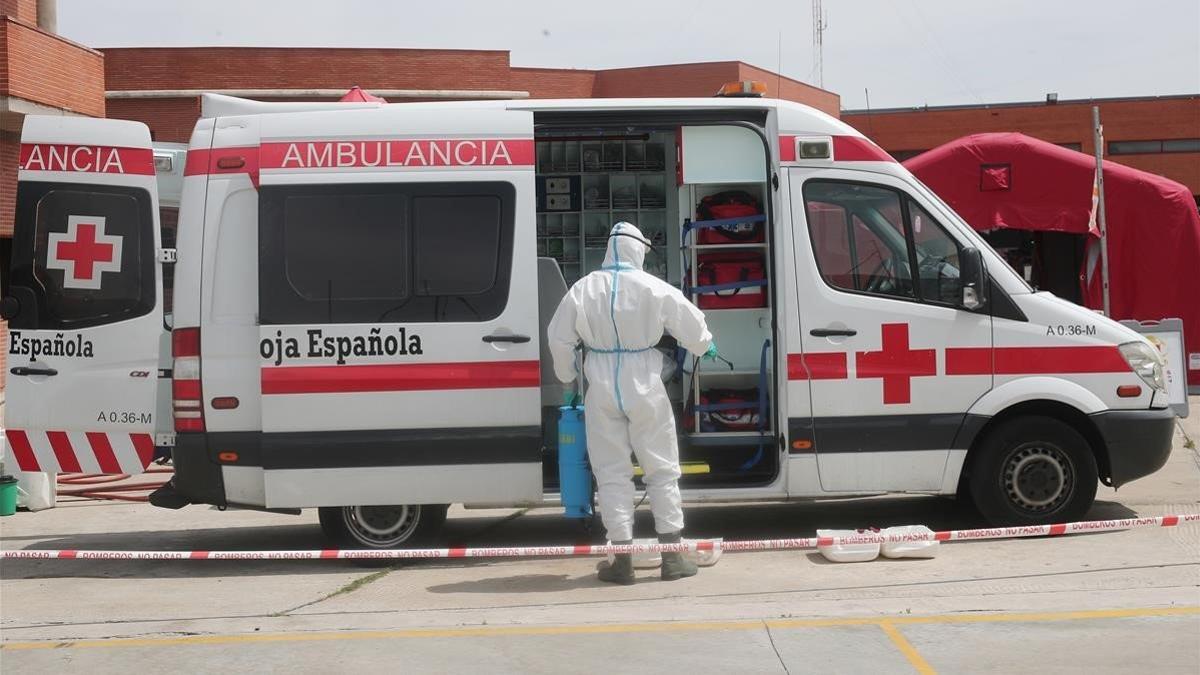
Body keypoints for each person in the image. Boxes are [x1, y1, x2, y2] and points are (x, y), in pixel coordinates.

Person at [548, 222, 718, 584]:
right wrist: (704, 344)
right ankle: (673, 558)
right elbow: (689, 321)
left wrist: (568, 380)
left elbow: (558, 339)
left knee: (610, 473)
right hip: (645, 382)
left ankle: (621, 561)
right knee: (661, 469)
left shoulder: (583, 289)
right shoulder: (653, 287)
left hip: (601, 385)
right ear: (638, 249)